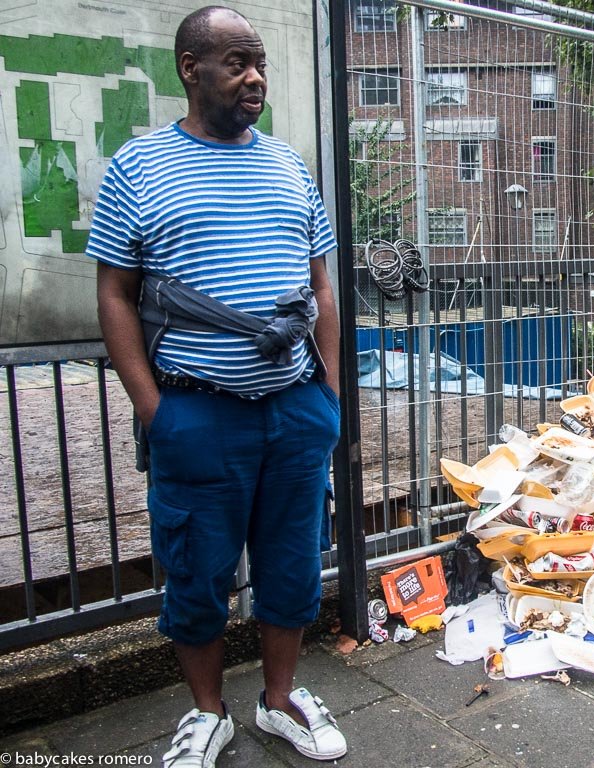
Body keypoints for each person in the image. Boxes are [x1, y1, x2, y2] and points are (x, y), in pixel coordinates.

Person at [86, 6, 347, 765]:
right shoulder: (138, 168)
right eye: (236, 62)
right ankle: (208, 713)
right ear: (189, 69)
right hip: (197, 413)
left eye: (258, 62)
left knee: (293, 565)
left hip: (295, 410)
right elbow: (115, 295)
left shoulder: (290, 165)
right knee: (196, 572)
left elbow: (321, 288)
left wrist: (325, 395)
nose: (255, 76)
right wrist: (153, 409)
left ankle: (279, 701)